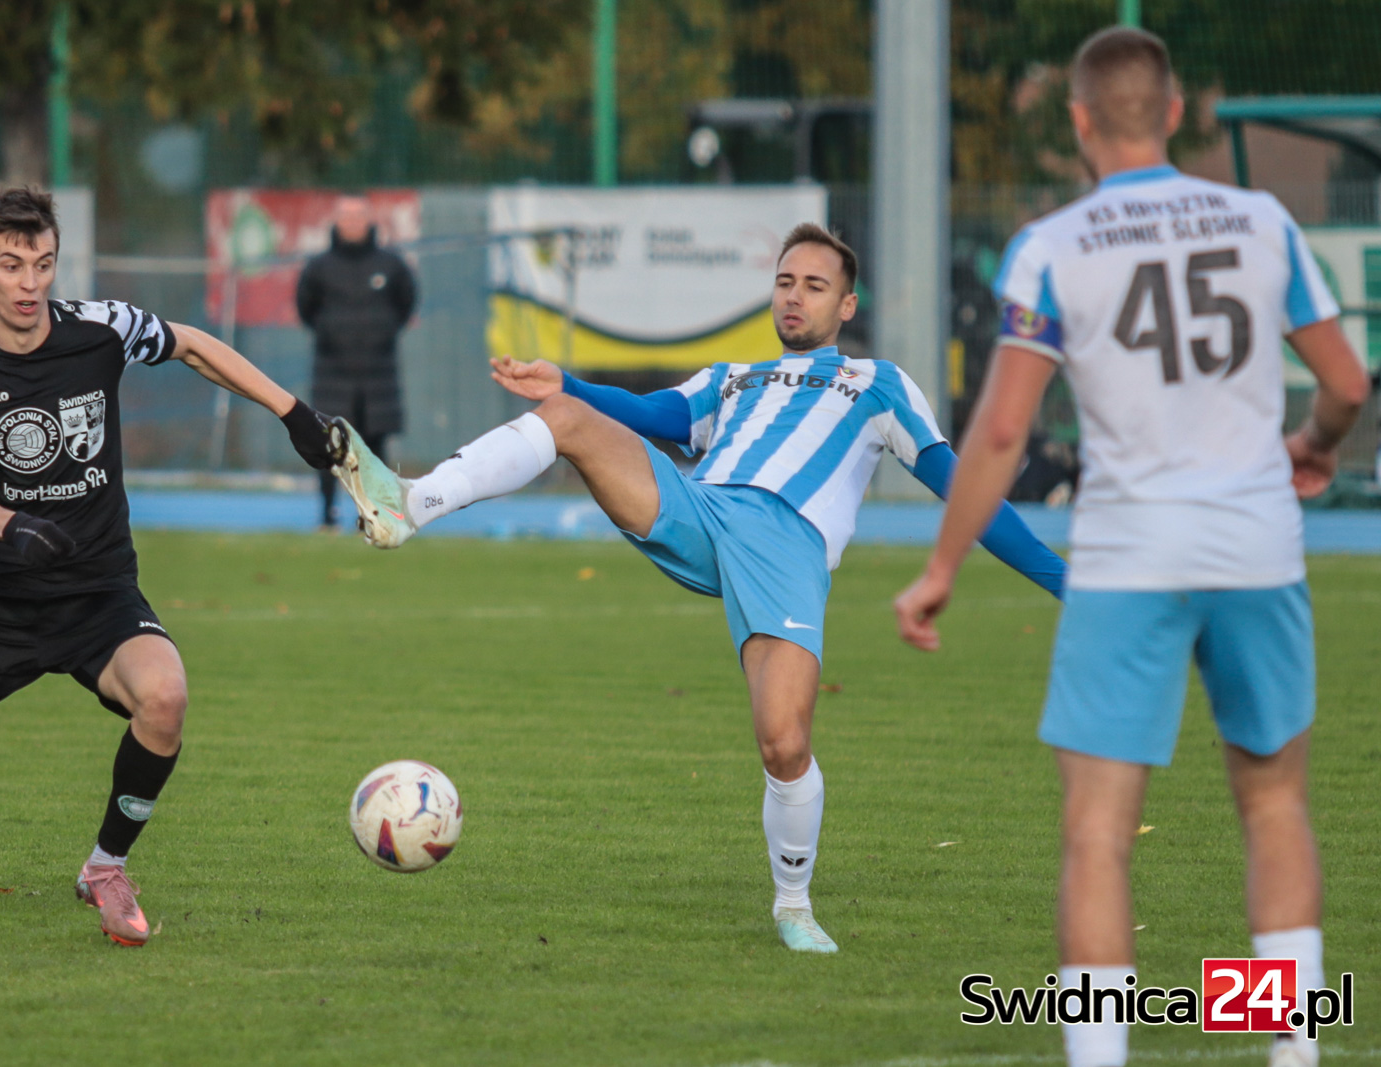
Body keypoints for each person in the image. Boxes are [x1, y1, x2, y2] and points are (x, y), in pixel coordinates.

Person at [332, 222, 1067, 952]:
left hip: (786, 547)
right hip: (702, 508)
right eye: (785, 282)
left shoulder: (876, 384)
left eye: (815, 287)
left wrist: (1070, 584)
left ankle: (793, 906)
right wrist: (569, 384)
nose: (795, 298)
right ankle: (411, 503)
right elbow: (660, 418)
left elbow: (964, 487)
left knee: (784, 743)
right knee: (562, 417)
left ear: (845, 306)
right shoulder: (731, 378)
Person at [892, 28, 1369, 1067]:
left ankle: (1099, 1058)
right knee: (1273, 802)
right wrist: (1313, 447)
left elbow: (1004, 430)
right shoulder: (1261, 220)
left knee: (1098, 830)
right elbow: (1345, 382)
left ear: (1076, 122)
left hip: (1127, 559)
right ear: (1172, 111)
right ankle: (1286, 1049)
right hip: (1254, 547)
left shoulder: (1053, 244)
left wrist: (938, 569)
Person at [0, 188, 347, 952]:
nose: (29, 283)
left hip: (97, 594)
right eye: (11, 265)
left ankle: (106, 866)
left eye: (42, 264)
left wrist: (294, 414)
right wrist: (16, 526)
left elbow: (194, 344)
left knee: (167, 696)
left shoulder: (100, 328)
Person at [295, 195, 417, 529]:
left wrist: (382, 332)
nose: (351, 223)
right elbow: (306, 308)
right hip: (332, 373)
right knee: (329, 444)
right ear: (336, 221)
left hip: (378, 376)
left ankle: (374, 514)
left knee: (374, 448)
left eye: (357, 216)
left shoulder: (391, 265)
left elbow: (406, 303)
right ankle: (327, 516)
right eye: (345, 217)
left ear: (369, 220)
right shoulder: (319, 267)